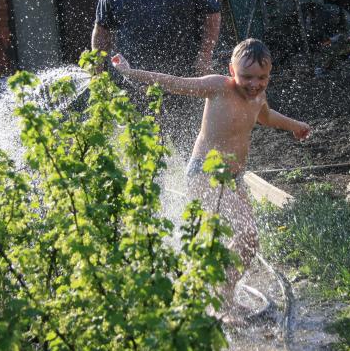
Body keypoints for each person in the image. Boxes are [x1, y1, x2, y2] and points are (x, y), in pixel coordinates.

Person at [111, 38, 310, 321]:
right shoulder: (219, 87)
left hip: (233, 178)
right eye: (247, 77)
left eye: (262, 78)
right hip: (205, 174)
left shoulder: (258, 96)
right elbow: (174, 82)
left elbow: (266, 117)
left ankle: (216, 292)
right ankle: (219, 299)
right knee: (246, 235)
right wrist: (132, 73)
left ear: (269, 74)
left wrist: (294, 126)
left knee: (248, 242)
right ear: (231, 70)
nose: (254, 84)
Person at [92, 0, 221, 155]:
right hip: (136, 82)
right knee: (144, 154)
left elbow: (212, 15)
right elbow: (102, 29)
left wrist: (205, 54)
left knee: (192, 150)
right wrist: (97, 71)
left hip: (185, 77)